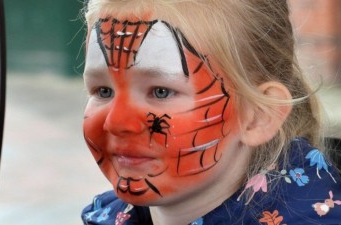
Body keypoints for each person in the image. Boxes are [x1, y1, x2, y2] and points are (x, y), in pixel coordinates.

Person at [80, 0, 341, 224]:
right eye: (103, 91)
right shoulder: (112, 214)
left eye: (161, 92)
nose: (116, 123)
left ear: (258, 115)